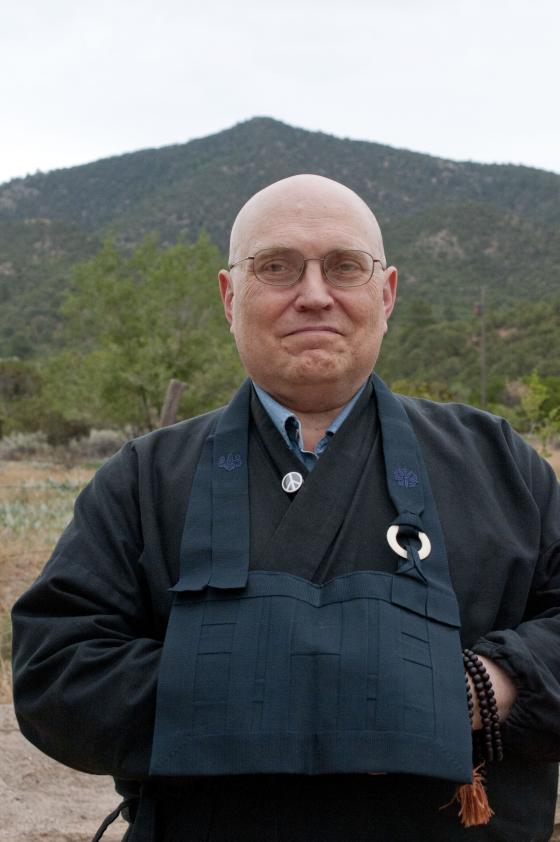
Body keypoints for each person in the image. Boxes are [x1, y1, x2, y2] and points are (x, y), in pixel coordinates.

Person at [11, 175, 560, 842]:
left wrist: (477, 689)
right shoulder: (145, 478)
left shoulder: (497, 463)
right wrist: (361, 696)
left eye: (344, 266)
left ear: (384, 294)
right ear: (228, 295)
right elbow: (58, 673)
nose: (314, 294)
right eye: (276, 267)